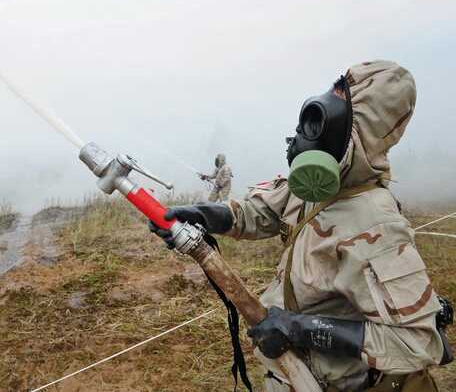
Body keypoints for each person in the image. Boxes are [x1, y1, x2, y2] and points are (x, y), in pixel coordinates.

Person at [150, 61, 452, 391]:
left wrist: (299, 328)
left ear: (354, 137)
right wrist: (203, 215)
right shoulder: (316, 190)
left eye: (315, 123)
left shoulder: (375, 223)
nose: (299, 137)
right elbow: (257, 213)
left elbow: (418, 342)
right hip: (292, 375)